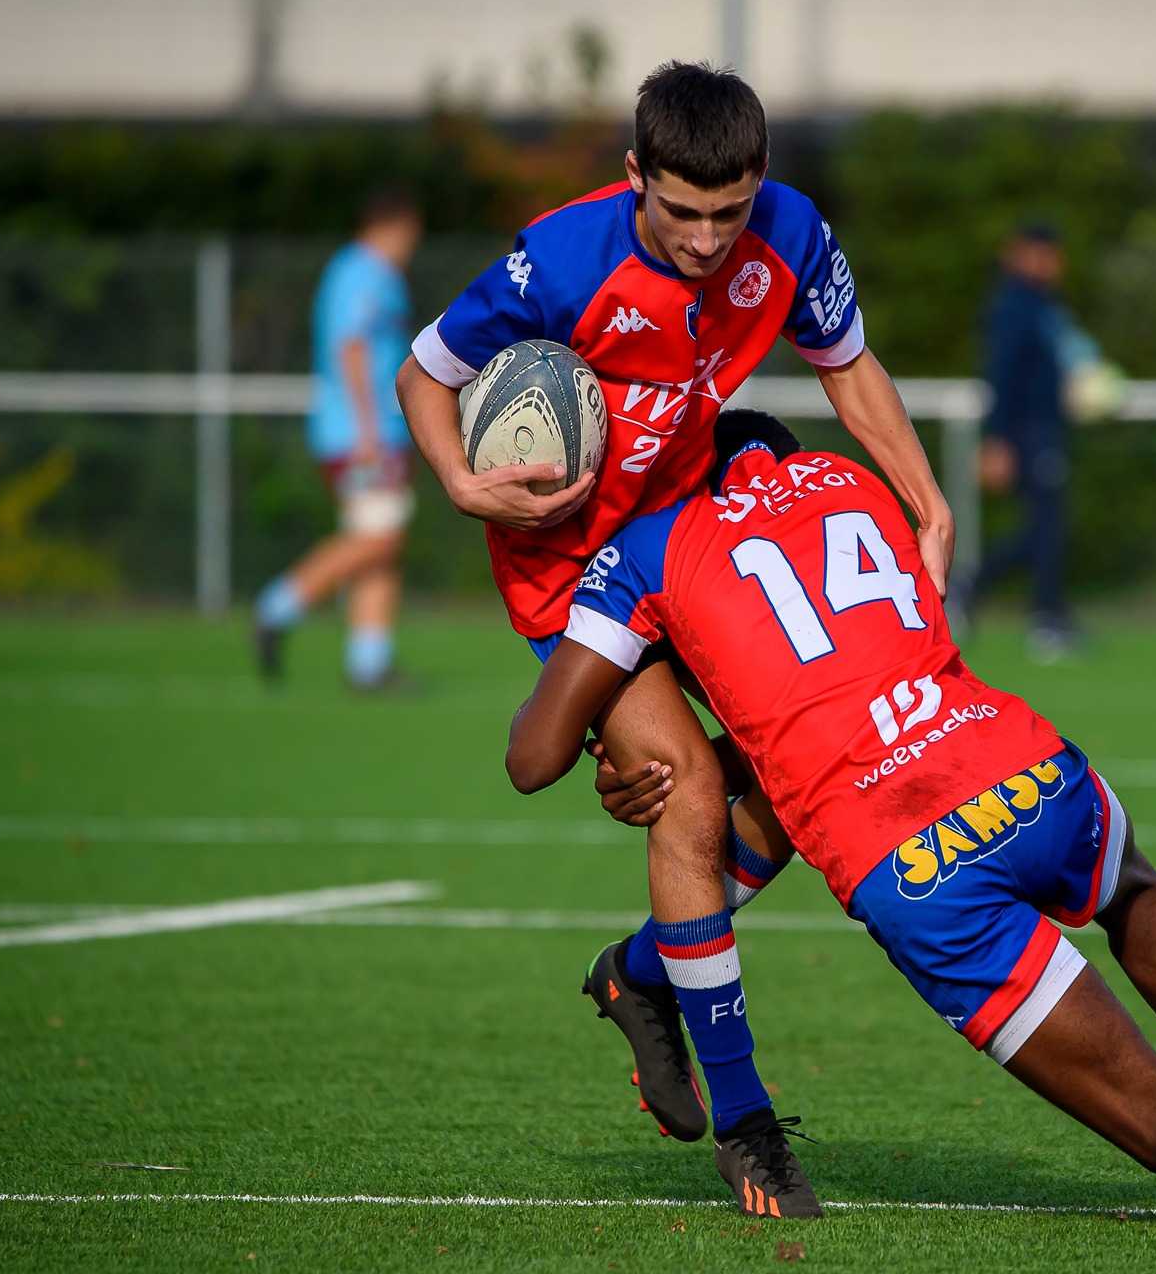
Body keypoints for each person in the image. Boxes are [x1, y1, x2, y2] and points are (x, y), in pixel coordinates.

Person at [506, 409, 1156, 1240]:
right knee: (1133, 891)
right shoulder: (851, 481)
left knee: (1153, 1120)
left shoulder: (653, 544)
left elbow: (532, 759)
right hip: (1019, 767)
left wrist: (635, 744)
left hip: (912, 858)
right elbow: (832, 665)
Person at [394, 62, 954, 1208]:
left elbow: (847, 369)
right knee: (690, 799)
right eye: (681, 212)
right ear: (633, 175)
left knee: (812, 777)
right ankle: (747, 1126)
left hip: (695, 532)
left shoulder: (790, 233)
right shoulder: (561, 262)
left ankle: (643, 972)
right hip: (570, 567)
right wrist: (458, 480)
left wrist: (927, 505)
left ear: (761, 182)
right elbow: (423, 372)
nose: (706, 240)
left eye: (728, 212)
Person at [253, 187, 424, 689]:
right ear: (394, 226)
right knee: (379, 538)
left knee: (380, 541)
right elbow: (351, 347)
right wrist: (368, 430)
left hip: (370, 429)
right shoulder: (364, 272)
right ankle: (277, 606)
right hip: (360, 432)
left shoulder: (363, 272)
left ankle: (369, 662)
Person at [962, 221, 1077, 661]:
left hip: (1044, 429)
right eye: (1043, 252)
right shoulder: (1013, 306)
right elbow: (1002, 378)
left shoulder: (1045, 305)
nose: (1052, 262)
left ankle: (975, 589)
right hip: (1027, 432)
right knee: (1046, 528)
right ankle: (1044, 618)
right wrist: (997, 440)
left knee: (1046, 527)